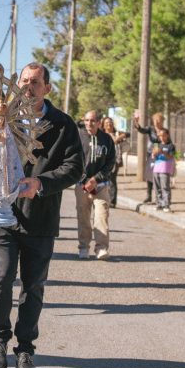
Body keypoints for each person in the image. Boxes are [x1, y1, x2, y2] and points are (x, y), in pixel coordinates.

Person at [0, 62, 83, 368]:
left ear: (47, 88)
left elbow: (75, 168)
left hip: (40, 217)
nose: (28, 86)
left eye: (35, 82)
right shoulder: (1, 121)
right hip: (3, 214)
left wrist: (40, 184)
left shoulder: (62, 124)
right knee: (0, 279)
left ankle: (25, 349)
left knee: (33, 286)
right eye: (24, 80)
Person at [75, 110, 115, 260]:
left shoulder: (106, 139)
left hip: (101, 186)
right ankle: (83, 247)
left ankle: (101, 248)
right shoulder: (78, 137)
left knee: (101, 216)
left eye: (92, 121)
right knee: (83, 217)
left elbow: (110, 163)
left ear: (99, 122)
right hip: (81, 185)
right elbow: (73, 160)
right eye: (86, 120)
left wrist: (95, 179)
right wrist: (85, 180)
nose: (89, 124)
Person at [133, 112, 165, 203]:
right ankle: (149, 195)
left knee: (159, 175)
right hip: (151, 154)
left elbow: (167, 142)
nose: (156, 122)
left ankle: (159, 197)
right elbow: (141, 130)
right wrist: (136, 122)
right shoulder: (150, 129)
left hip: (161, 155)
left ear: (161, 121)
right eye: (154, 120)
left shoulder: (164, 131)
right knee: (150, 175)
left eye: (158, 120)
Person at [102, 116, 127, 207]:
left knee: (112, 180)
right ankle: (103, 198)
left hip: (115, 160)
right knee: (103, 180)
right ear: (103, 125)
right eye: (107, 123)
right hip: (103, 161)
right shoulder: (101, 135)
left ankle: (112, 201)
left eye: (110, 122)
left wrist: (119, 137)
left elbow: (127, 134)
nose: (109, 124)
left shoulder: (117, 133)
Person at [152, 128, 176, 212]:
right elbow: (153, 156)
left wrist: (162, 152)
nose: (162, 137)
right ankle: (158, 204)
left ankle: (166, 205)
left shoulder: (171, 146)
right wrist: (154, 154)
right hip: (156, 169)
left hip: (165, 169)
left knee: (165, 187)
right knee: (157, 188)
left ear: (167, 135)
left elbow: (170, 157)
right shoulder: (156, 144)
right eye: (160, 135)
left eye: (164, 135)